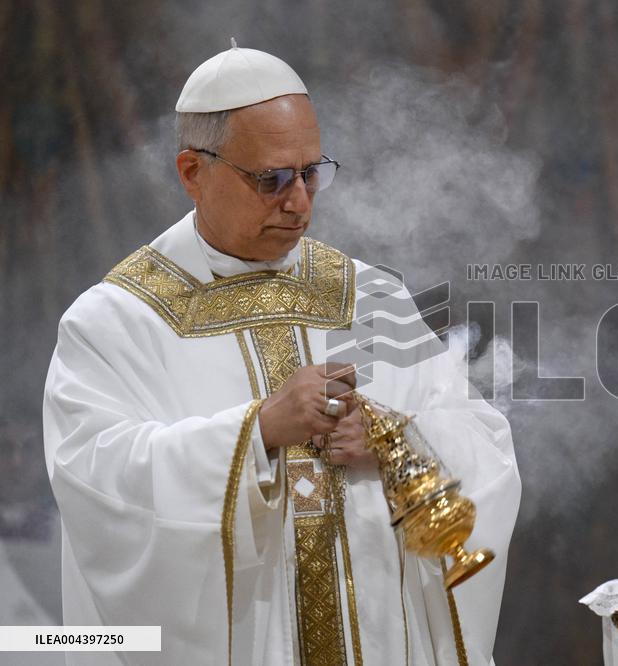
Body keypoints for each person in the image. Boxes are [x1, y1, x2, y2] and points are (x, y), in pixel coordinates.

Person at [42, 42, 520, 666]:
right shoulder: (117, 322)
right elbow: (100, 484)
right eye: (270, 180)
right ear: (192, 172)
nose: (299, 202)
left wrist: (396, 440)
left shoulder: (372, 295)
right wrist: (259, 431)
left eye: (311, 173)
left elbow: (483, 443)